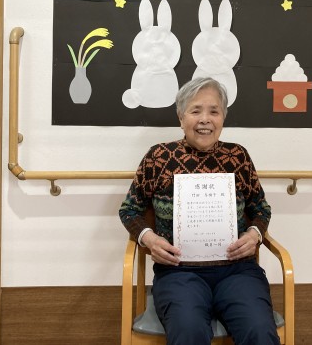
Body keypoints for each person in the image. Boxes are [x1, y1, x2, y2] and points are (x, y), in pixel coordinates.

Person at [119, 77, 281, 345]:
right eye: (195, 111)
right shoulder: (158, 157)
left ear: (223, 117)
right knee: (188, 331)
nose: (205, 119)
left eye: (214, 111)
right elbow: (129, 210)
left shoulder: (238, 157)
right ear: (181, 117)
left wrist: (254, 234)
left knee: (259, 331)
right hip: (178, 272)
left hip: (237, 271)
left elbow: (260, 207)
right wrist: (150, 239)